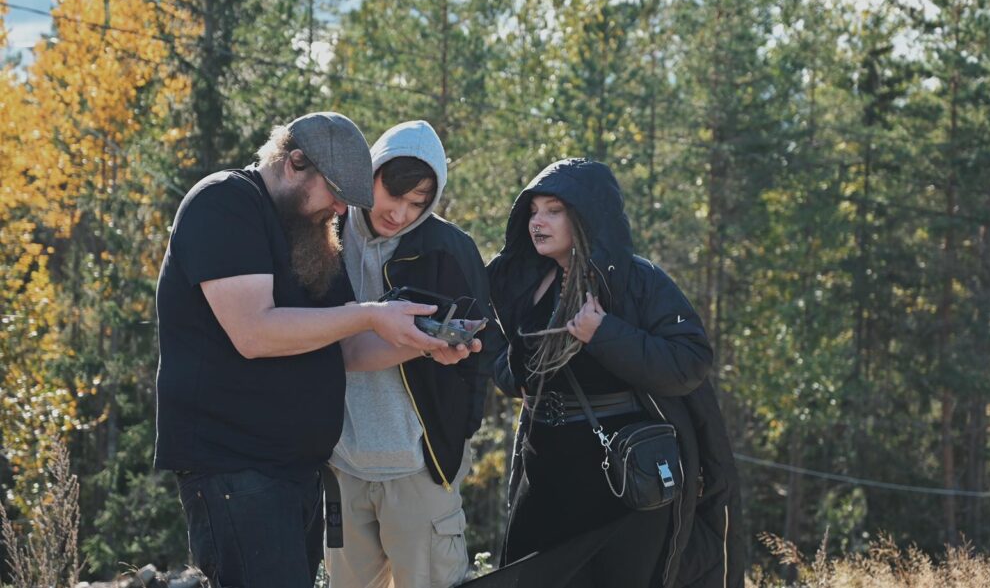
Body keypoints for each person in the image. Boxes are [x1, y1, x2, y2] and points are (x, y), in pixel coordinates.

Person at [154, 112, 479, 588]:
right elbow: (254, 332)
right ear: (295, 163)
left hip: (296, 473)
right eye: (336, 193)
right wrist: (369, 313)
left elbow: (346, 348)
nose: (343, 210)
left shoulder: (310, 232)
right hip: (235, 469)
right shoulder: (224, 202)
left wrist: (422, 344)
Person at [486, 158, 743, 588]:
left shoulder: (638, 281)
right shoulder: (524, 283)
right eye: (533, 211)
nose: (537, 222)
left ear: (586, 216)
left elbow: (690, 361)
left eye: (553, 210)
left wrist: (604, 333)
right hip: (545, 473)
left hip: (621, 485)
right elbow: (511, 369)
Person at [324, 120, 504, 588]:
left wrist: (454, 438)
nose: (400, 213)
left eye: (418, 203)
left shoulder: (450, 249)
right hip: (339, 462)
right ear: (371, 172)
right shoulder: (325, 232)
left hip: (420, 468)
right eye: (394, 193)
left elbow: (482, 353)